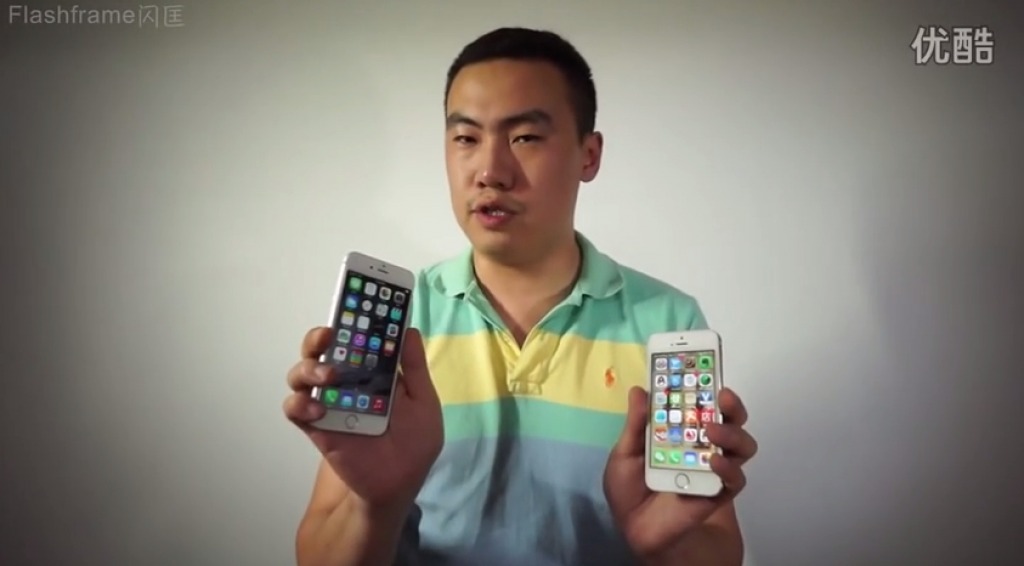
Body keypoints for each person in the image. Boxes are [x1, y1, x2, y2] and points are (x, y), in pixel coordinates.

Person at [283, 27, 759, 566]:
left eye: (525, 137)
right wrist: (378, 505)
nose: (490, 172)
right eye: (466, 138)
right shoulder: (398, 321)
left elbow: (719, 550)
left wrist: (664, 541)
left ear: (589, 155)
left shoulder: (668, 322)